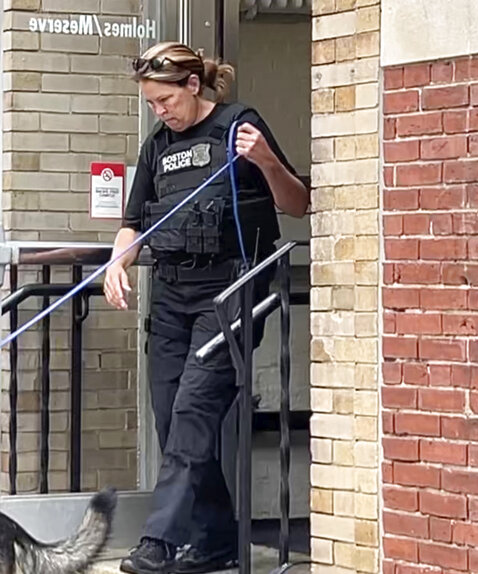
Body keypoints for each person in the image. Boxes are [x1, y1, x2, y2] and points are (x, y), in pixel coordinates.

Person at [104, 42, 309, 574]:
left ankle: (159, 541)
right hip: (172, 298)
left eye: (166, 100)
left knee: (193, 413)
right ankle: (217, 539)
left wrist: (265, 160)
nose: (160, 111)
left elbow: (297, 203)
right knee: (171, 420)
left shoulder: (239, 125)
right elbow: (133, 223)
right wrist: (117, 263)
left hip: (228, 294)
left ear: (193, 85)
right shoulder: (157, 145)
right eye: (151, 103)